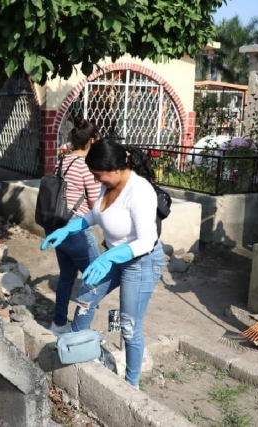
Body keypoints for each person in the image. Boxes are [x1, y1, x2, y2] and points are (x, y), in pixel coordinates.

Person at [41, 139, 165, 388]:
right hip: (115, 256)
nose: (96, 181)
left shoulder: (139, 191)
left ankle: (131, 385)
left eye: (99, 176)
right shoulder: (107, 186)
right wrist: (68, 229)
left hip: (141, 261)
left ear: (116, 168)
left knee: (129, 325)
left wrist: (109, 256)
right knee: (86, 297)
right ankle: (77, 350)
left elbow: (147, 241)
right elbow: (93, 215)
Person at [46, 116, 102, 336]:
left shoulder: (62, 162)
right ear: (91, 141)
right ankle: (80, 330)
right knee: (97, 279)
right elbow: (96, 204)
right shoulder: (86, 167)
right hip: (76, 229)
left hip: (58, 226)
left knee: (67, 277)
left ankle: (59, 323)